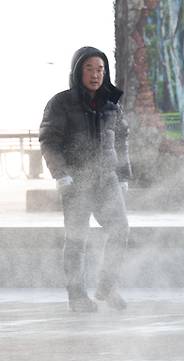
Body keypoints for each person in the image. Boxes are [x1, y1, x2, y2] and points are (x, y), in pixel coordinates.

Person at [39, 46, 132, 312]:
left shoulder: (112, 104)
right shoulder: (61, 103)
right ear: (78, 71)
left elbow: (122, 139)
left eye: (100, 69)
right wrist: (61, 174)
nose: (95, 74)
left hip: (106, 179)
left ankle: (107, 286)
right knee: (77, 240)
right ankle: (77, 297)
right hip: (76, 182)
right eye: (89, 68)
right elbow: (49, 140)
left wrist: (123, 174)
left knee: (120, 229)